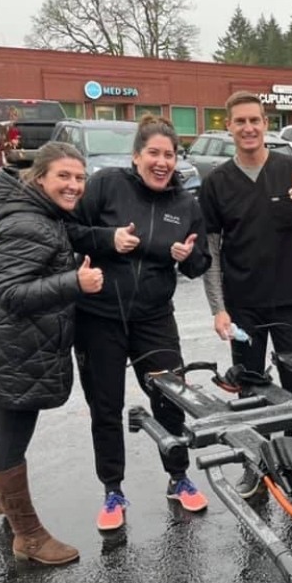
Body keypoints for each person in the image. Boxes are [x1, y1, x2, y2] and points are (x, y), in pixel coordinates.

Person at [68, 114, 211, 530]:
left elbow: (200, 262)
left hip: (153, 318)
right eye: (153, 152)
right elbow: (73, 231)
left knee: (170, 399)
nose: (162, 161)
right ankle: (113, 489)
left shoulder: (186, 205)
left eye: (169, 154)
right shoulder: (107, 184)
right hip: (99, 317)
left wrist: (189, 259)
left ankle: (179, 477)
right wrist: (107, 240)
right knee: (106, 406)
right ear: (136, 156)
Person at [199, 91, 292, 498]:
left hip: (288, 299)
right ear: (228, 127)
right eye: (239, 121)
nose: (248, 128)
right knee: (250, 389)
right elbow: (209, 251)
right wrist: (218, 308)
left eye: (255, 121)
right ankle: (257, 467)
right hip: (243, 305)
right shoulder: (216, 183)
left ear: (266, 125)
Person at [0, 141, 102, 566]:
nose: (73, 185)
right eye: (63, 176)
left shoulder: (40, 216)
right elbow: (10, 293)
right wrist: (73, 284)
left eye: (80, 178)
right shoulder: (27, 224)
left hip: (16, 344)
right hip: (16, 349)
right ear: (40, 177)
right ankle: (27, 536)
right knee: (12, 435)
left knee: (3, 423)